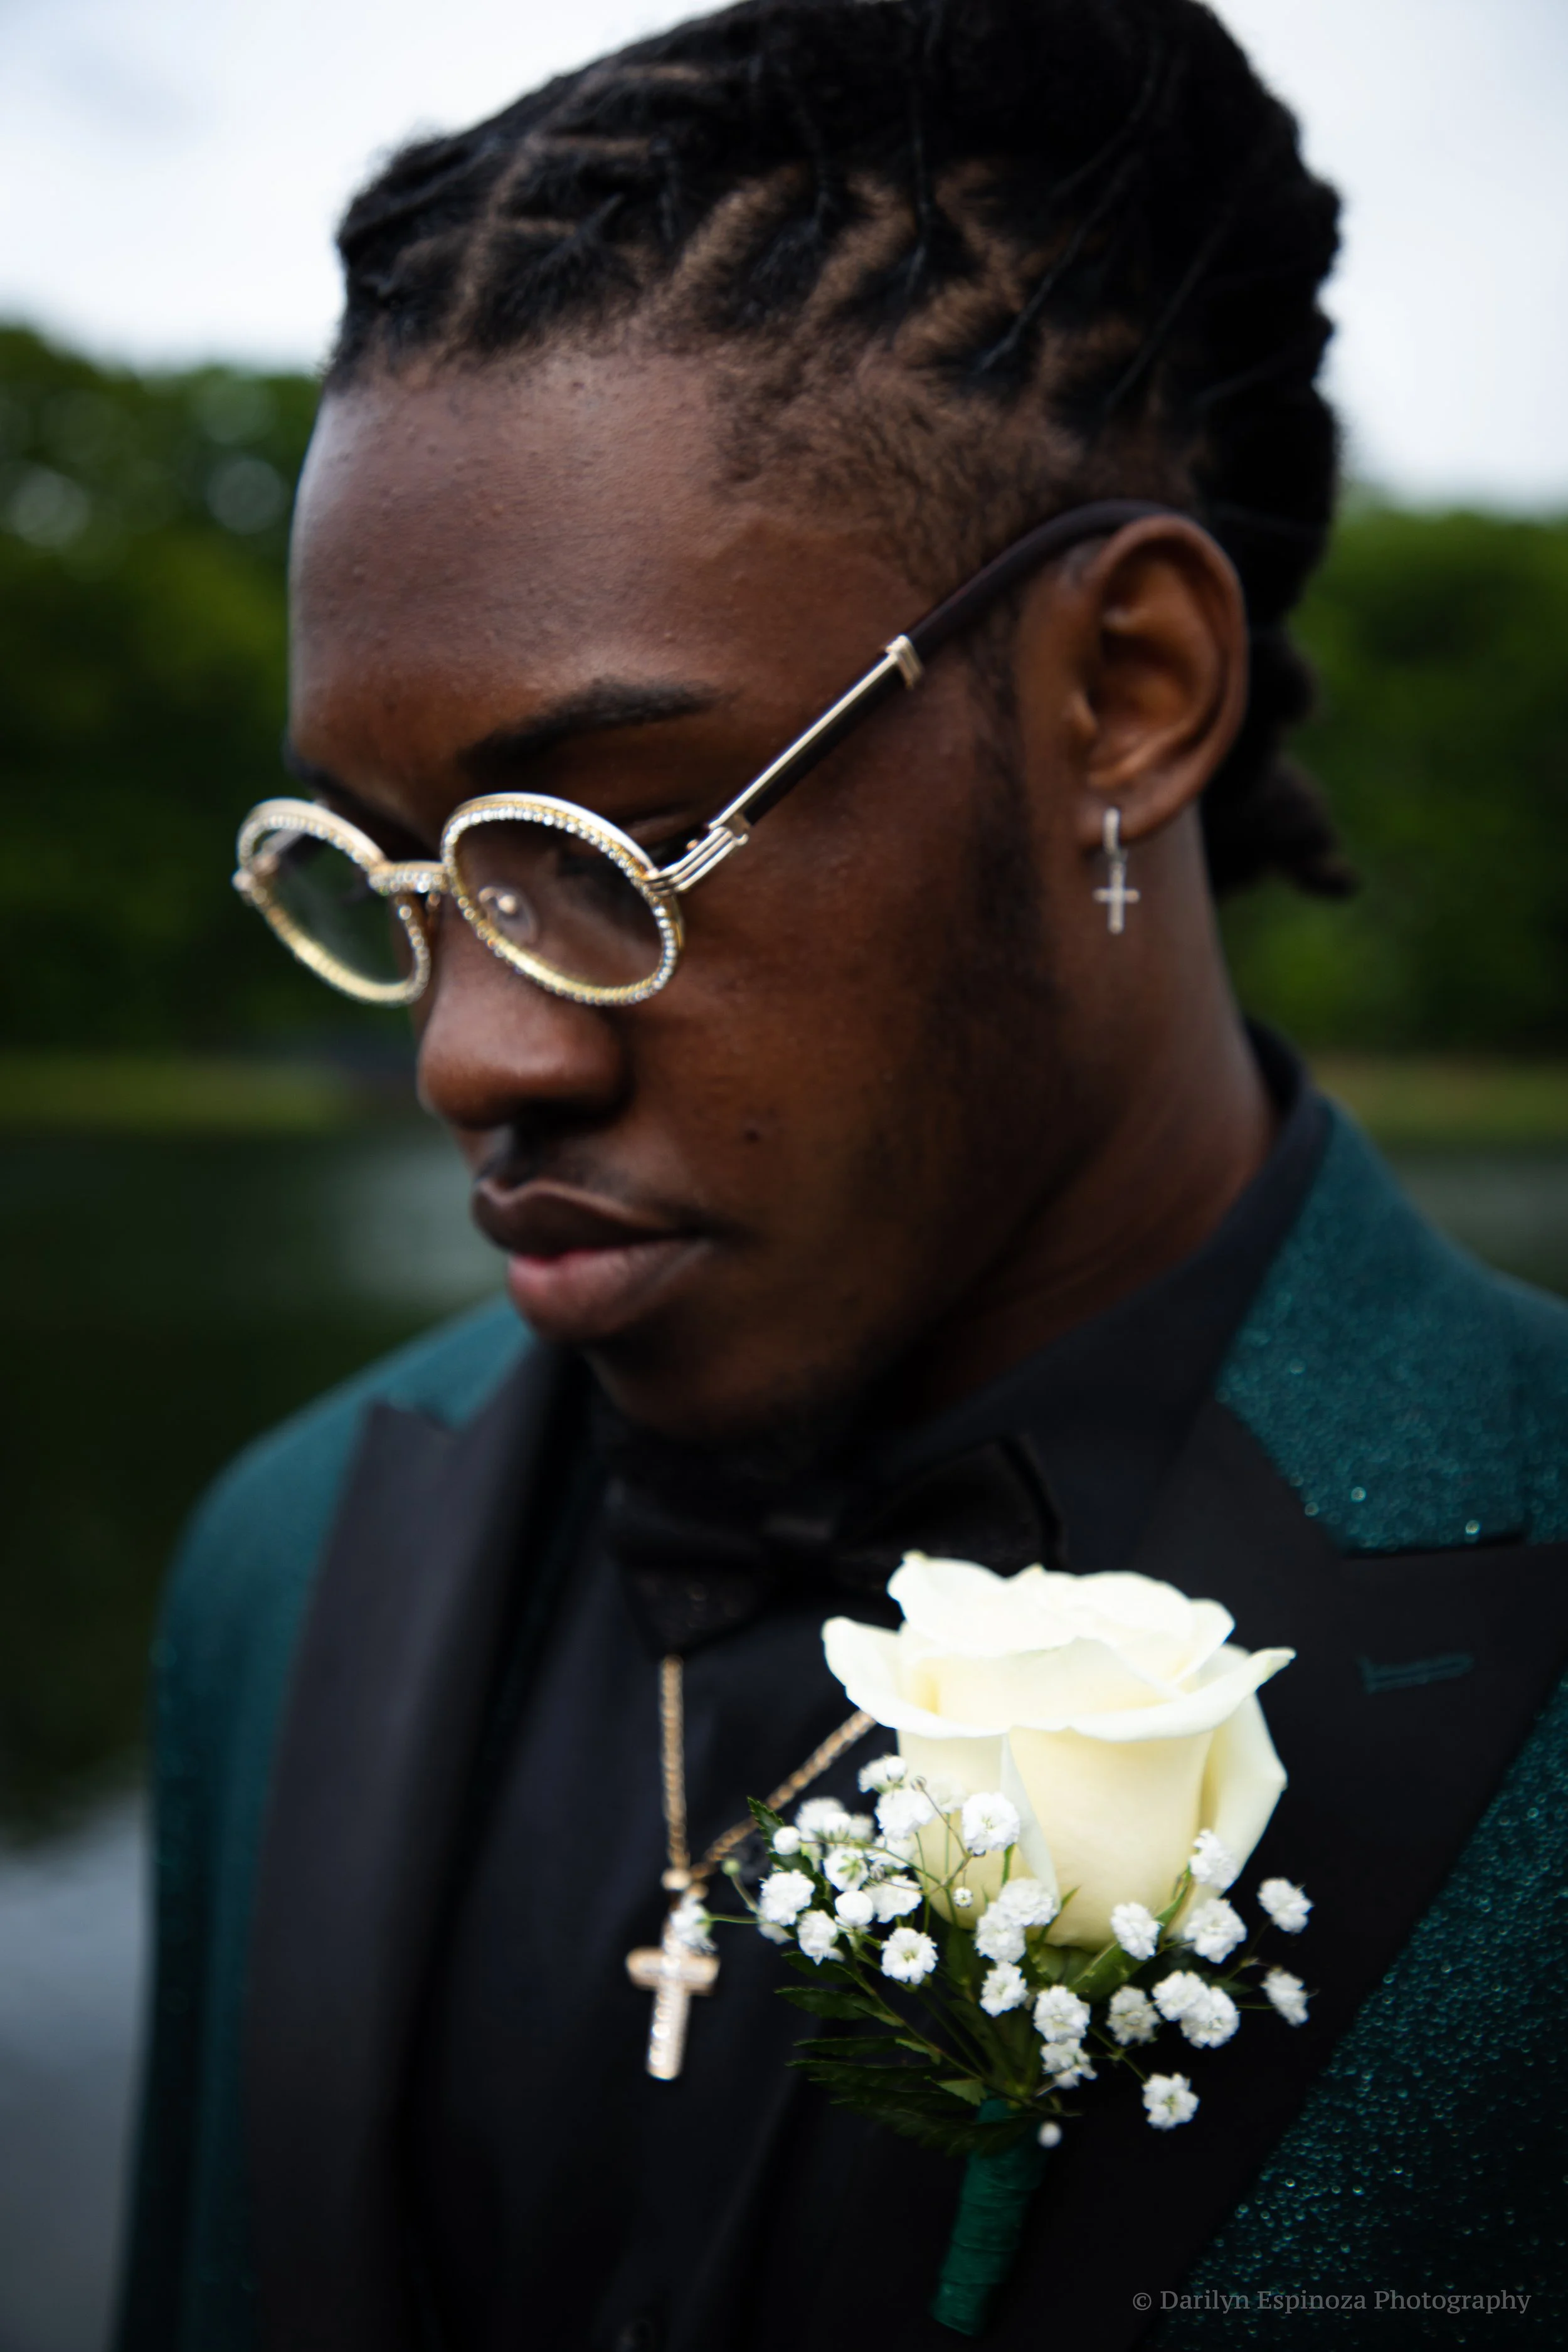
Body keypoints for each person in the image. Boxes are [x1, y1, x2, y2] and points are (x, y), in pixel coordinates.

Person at [118, 3, 1568, 2347]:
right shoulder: (276, 1561)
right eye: (391, 872)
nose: (472, 1051)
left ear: (1121, 692)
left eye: (600, 838)